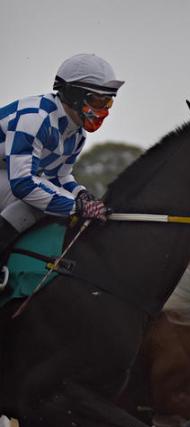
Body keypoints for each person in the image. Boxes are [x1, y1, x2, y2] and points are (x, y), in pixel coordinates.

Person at [0, 53, 123, 287]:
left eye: (109, 102)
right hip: (10, 176)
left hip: (5, 172)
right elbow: (23, 184)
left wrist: (82, 195)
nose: (105, 110)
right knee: (34, 201)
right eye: (98, 101)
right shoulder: (34, 118)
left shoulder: (76, 133)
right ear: (74, 95)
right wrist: (76, 207)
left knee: (53, 199)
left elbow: (59, 176)